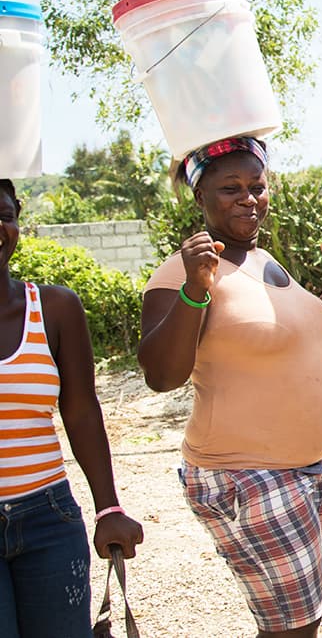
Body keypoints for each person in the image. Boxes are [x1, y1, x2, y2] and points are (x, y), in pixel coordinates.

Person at [137, 138, 322, 638]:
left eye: (257, 186)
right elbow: (162, 375)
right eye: (231, 189)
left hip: (307, 468)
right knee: (294, 627)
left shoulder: (262, 259)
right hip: (246, 473)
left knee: (298, 619)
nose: (248, 198)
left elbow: (289, 342)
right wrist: (194, 290)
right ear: (201, 197)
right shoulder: (186, 270)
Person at [0, 179, 144, 637]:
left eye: (3, 214)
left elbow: (81, 412)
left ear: (18, 218)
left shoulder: (55, 308)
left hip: (48, 519)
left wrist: (108, 510)